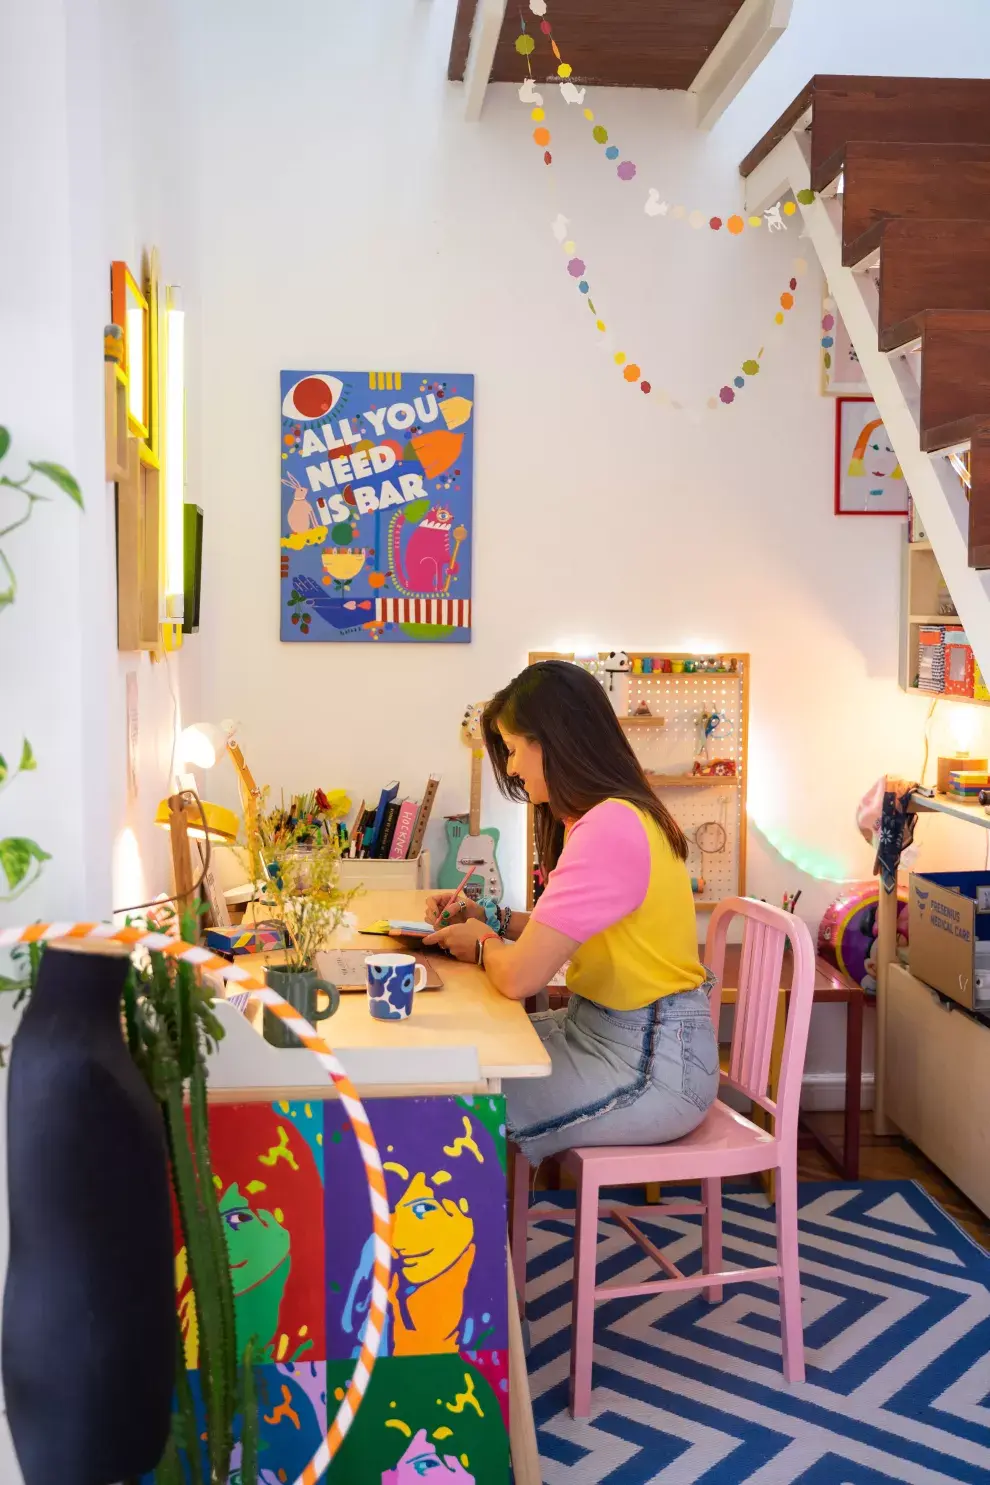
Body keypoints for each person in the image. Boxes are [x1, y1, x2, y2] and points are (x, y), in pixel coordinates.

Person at [423, 660, 720, 1163]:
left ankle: (462, 1235)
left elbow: (520, 977)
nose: (512, 767)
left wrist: (481, 942)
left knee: (452, 1098)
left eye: (515, 749)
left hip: (649, 1064)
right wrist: (490, 919)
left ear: (552, 741)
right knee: (459, 1060)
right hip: (617, 1037)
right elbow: (558, 931)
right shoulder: (612, 816)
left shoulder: (609, 827)